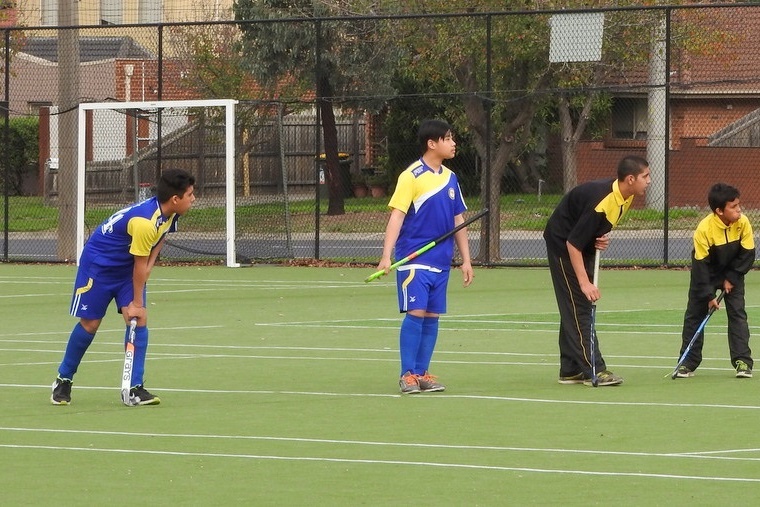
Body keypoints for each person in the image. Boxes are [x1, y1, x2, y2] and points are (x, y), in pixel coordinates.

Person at [51, 168, 196, 406]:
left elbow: (160, 239)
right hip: (99, 267)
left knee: (138, 319)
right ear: (175, 199)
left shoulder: (170, 213)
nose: (193, 199)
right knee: (91, 323)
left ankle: (135, 387)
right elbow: (139, 266)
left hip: (127, 266)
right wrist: (137, 301)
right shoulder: (143, 222)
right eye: (190, 195)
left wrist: (148, 269)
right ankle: (63, 379)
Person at [377, 119, 474, 394]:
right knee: (416, 313)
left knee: (432, 317)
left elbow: (459, 220)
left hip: (442, 262)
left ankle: (422, 372)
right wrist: (387, 255)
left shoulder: (451, 178)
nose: (453, 143)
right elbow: (397, 216)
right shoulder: (411, 176)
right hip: (414, 258)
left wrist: (466, 259)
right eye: (448, 138)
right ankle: (407, 374)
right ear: (432, 144)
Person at [543, 155, 651, 386]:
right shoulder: (603, 200)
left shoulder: (627, 196)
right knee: (579, 304)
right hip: (563, 243)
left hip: (580, 244)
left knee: (573, 305)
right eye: (646, 176)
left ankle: (570, 369)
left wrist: (596, 238)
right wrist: (584, 282)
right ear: (630, 179)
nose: (649, 181)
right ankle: (595, 368)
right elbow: (572, 243)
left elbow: (591, 228)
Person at [675, 183, 755, 379]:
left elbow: (748, 254)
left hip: (733, 273)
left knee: (737, 314)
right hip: (706, 276)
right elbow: (700, 266)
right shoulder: (704, 229)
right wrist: (709, 295)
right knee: (694, 316)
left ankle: (742, 361)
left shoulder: (743, 222)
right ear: (719, 211)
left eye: (738, 205)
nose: (739, 210)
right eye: (733, 207)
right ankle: (687, 362)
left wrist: (732, 278)